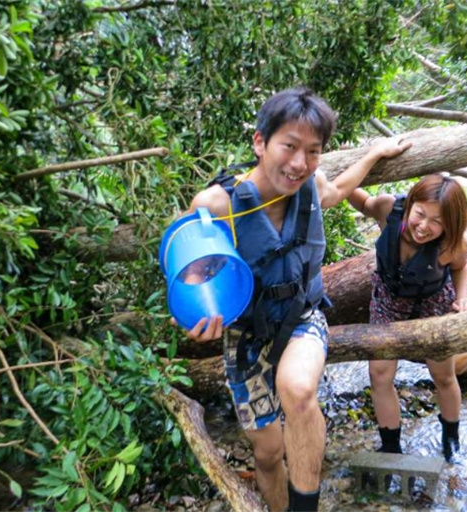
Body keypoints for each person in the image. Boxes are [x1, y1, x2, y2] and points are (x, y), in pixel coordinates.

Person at [172, 87, 411, 512]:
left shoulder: (310, 185)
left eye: (313, 151)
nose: (300, 163)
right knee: (267, 454)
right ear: (260, 143)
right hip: (245, 336)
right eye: (289, 146)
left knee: (297, 389)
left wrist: (376, 153)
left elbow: (336, 191)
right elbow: (192, 277)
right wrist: (193, 318)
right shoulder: (216, 205)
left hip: (303, 316)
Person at [347, 173, 467, 463]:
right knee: (379, 374)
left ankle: (451, 436)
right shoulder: (389, 208)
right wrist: (339, 182)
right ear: (411, 203)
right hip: (389, 299)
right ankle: (391, 445)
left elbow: (461, 267)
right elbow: (363, 201)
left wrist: (462, 296)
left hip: (433, 301)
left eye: (437, 221)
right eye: (420, 214)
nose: (424, 226)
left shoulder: (455, 243)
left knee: (443, 373)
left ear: (451, 224)